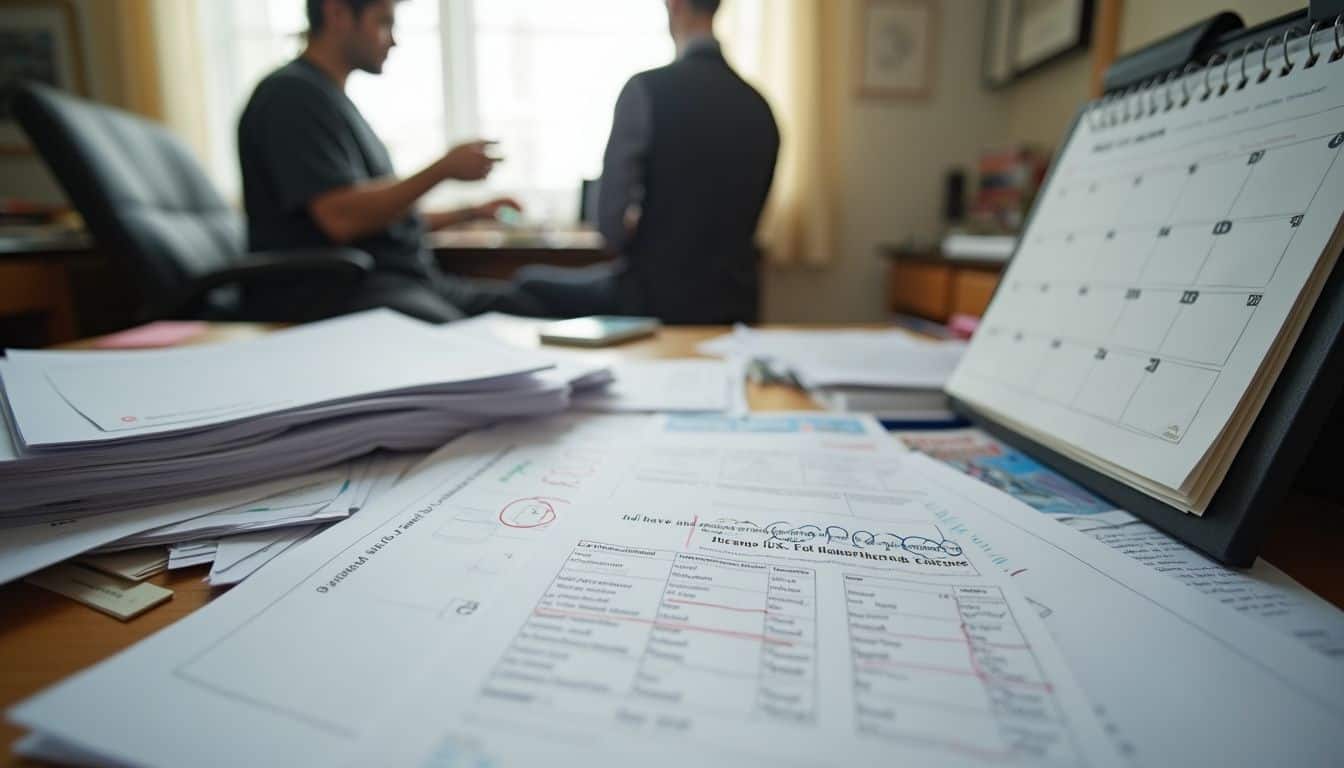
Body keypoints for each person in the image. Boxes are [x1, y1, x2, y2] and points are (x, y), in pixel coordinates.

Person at [238, 0, 544, 322]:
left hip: (405, 282)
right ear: (337, 13)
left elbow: (385, 219)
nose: (393, 39)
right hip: (339, 290)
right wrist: (442, 169)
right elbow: (342, 218)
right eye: (384, 23)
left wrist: (473, 212)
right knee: (470, 341)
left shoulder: (331, 100)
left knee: (527, 307)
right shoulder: (290, 96)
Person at [515, 0, 780, 324]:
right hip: (735, 305)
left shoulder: (646, 91)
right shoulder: (760, 108)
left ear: (675, 6)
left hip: (649, 301)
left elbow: (609, 227)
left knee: (528, 281)